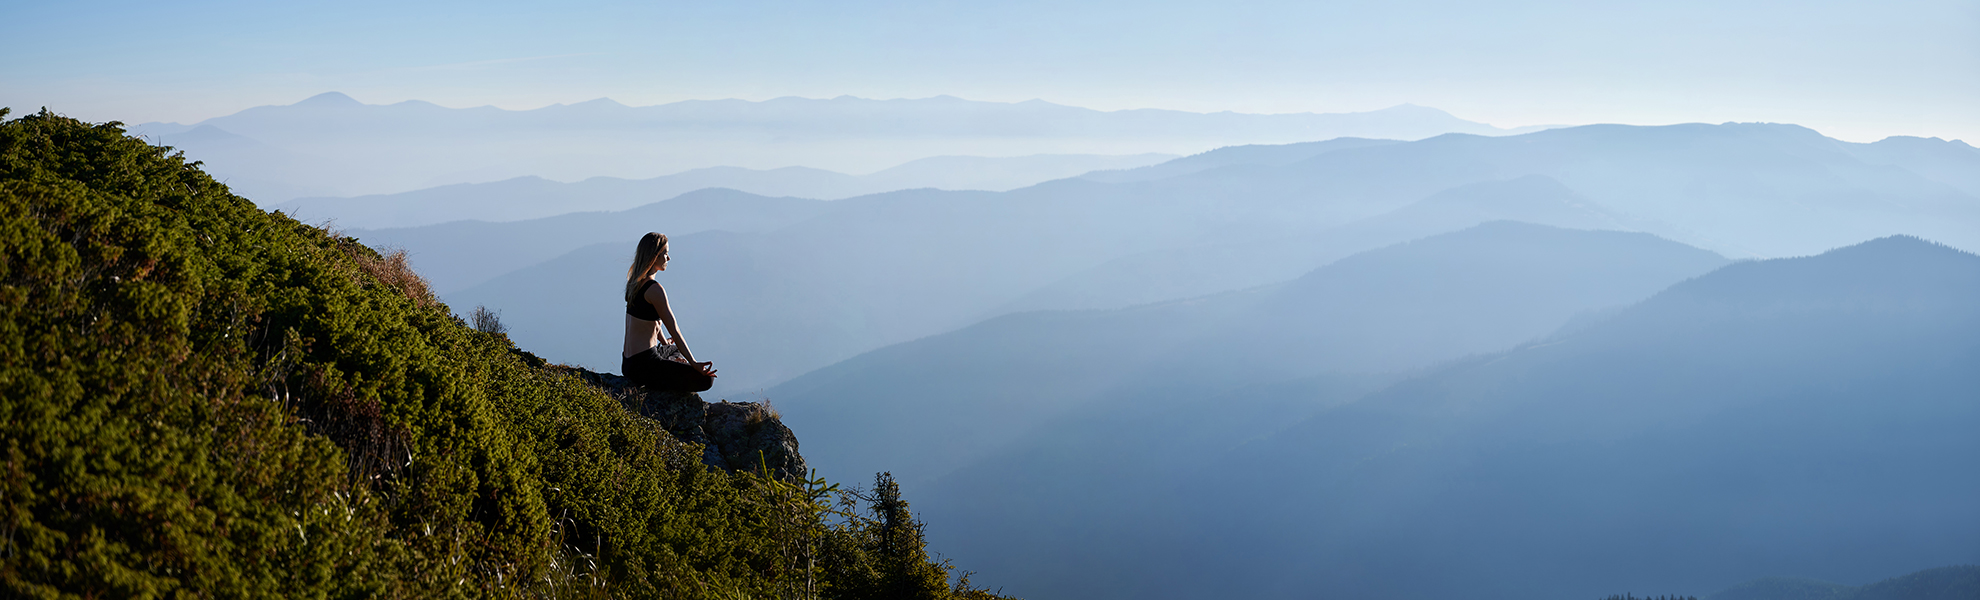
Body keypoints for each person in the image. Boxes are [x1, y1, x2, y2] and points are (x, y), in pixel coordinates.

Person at [621, 232, 717, 393]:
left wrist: (664, 342)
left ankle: (671, 364)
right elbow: (675, 330)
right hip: (645, 365)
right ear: (654, 257)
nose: (668, 258)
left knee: (672, 348)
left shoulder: (634, 283)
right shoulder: (655, 290)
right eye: (665, 253)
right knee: (707, 379)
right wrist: (693, 363)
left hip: (628, 363)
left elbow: (652, 322)